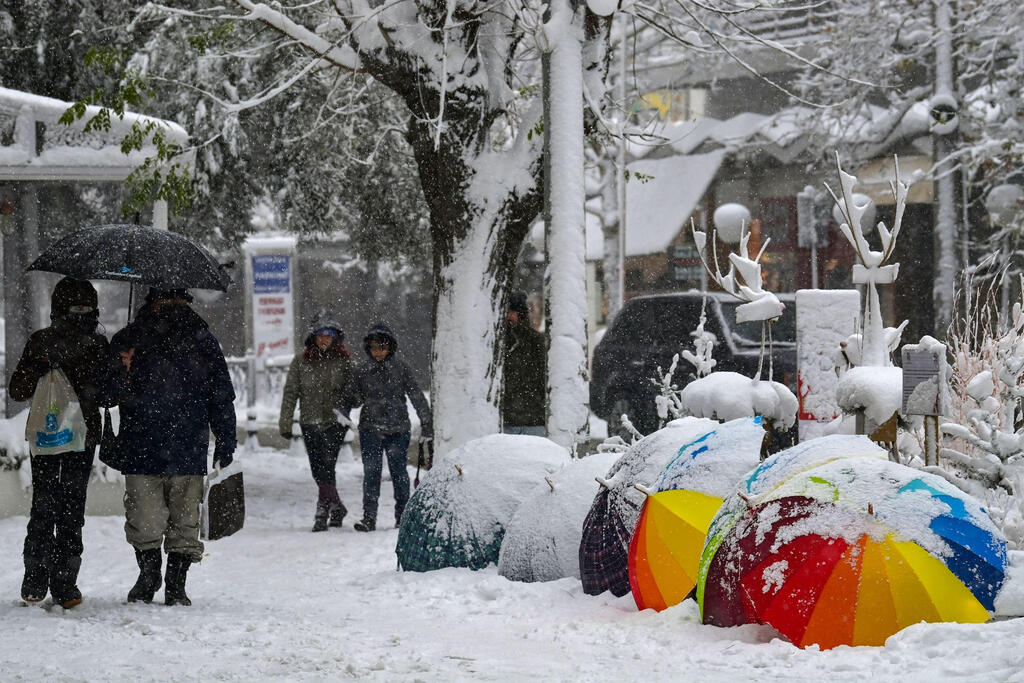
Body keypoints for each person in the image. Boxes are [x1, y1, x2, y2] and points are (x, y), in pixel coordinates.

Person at [108, 287, 236, 606]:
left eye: (174, 300)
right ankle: (150, 575)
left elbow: (220, 394)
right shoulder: (129, 340)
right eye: (164, 300)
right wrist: (120, 370)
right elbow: (106, 392)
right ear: (152, 302)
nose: (169, 306)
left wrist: (226, 437)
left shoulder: (201, 340)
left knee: (181, 520)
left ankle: (175, 584)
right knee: (146, 518)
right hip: (146, 445)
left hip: (181, 446)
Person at [8, 277, 110, 608]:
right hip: (83, 438)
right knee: (71, 510)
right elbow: (110, 396)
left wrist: (41, 366)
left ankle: (35, 582)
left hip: (49, 436)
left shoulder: (41, 342)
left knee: (44, 505)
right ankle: (66, 587)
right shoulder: (98, 345)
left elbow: (17, 391)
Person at [336, 323, 431, 532]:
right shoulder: (361, 370)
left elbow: (416, 395)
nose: (378, 352)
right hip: (370, 428)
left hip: (398, 429)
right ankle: (369, 517)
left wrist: (427, 424)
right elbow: (347, 395)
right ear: (368, 348)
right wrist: (342, 414)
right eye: (374, 348)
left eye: (382, 348)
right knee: (371, 473)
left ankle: (403, 516)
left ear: (390, 347)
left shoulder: (401, 368)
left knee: (399, 472)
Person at [279, 311, 355, 532]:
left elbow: (356, 391)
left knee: (327, 465)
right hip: (310, 421)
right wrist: (285, 422)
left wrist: (348, 402)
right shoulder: (300, 361)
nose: (324, 339)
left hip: (334, 421)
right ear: (313, 337)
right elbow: (291, 392)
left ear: (335, 338)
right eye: (320, 334)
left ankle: (322, 510)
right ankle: (337, 506)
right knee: (318, 469)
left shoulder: (345, 362)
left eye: (329, 335)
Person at [501, 291, 546, 436]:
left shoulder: (536, 342)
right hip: (511, 420)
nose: (508, 316)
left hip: (533, 420)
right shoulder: (497, 344)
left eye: (511, 312)